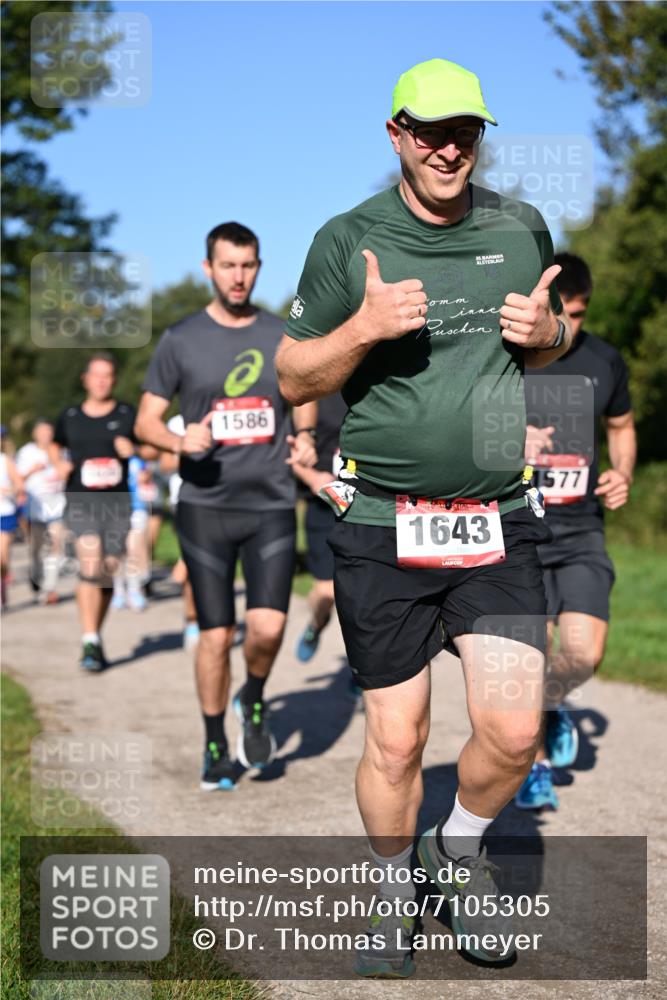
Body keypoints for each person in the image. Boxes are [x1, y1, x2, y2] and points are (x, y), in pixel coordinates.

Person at [277, 57, 574, 975]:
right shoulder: (347, 238)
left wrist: (548, 336)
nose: (448, 147)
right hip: (379, 522)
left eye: (465, 132)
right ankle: (394, 883)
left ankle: (457, 850)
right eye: (429, 130)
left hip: (494, 519)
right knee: (398, 741)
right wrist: (362, 329)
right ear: (396, 134)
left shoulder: (519, 226)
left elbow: (556, 331)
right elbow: (292, 372)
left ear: (479, 138)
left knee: (516, 729)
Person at [135, 222, 317, 792]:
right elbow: (145, 421)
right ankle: (215, 741)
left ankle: (254, 698)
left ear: (259, 268)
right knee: (216, 634)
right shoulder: (180, 340)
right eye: (228, 265)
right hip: (206, 505)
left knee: (267, 628)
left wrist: (306, 436)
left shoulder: (282, 333)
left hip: (270, 502)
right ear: (208, 269)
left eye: (249, 265)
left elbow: (303, 394)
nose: (239, 276)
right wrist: (177, 441)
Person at [516, 253, 636, 810]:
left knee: (583, 656)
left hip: (583, 529)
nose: (571, 326)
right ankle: (535, 766)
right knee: (531, 652)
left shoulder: (605, 361)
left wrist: (623, 473)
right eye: (564, 312)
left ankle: (551, 704)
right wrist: (508, 444)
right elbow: (458, 433)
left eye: (581, 314)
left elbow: (621, 426)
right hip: (520, 530)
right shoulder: (506, 359)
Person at [49, 353, 138, 671]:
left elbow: (152, 447)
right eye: (96, 375)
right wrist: (58, 461)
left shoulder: (128, 413)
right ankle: (89, 639)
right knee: (91, 560)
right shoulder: (70, 415)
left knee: (107, 570)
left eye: (108, 375)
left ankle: (95, 636)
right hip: (81, 500)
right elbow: (54, 443)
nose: (102, 381)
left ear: (113, 380)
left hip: (117, 503)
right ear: (85, 379)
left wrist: (136, 450)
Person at [292, 392, 347, 662]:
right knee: (326, 592)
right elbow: (287, 448)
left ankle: (362, 669)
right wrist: (312, 477)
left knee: (368, 597)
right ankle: (316, 624)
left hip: (370, 504)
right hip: (324, 503)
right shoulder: (314, 389)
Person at [16, 419, 66, 604]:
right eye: (42, 432)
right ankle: (36, 573)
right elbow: (16, 478)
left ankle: (49, 588)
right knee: (36, 549)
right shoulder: (27, 452)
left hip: (57, 506)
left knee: (56, 546)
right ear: (35, 434)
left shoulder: (61, 451)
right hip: (34, 509)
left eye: (49, 432)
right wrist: (32, 469)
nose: (46, 436)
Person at [1, 428, 24, 608]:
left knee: (2, 556)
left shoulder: (5, 461)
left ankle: (2, 586)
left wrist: (8, 491)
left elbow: (19, 485)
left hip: (5, 512)